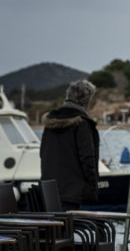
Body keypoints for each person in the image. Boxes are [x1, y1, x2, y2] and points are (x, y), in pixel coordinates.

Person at [40, 79, 99, 210]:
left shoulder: (50, 123)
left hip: (49, 191)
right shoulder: (81, 124)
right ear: (86, 99)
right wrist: (93, 189)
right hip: (72, 193)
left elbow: (42, 153)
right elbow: (88, 159)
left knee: (55, 229)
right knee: (70, 228)